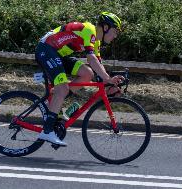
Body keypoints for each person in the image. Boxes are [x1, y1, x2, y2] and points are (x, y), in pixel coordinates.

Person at [35, 12, 125, 146]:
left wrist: (108, 84)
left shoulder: (96, 42)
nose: (115, 35)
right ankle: (47, 131)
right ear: (105, 27)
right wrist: (108, 78)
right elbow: (91, 59)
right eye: (115, 31)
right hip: (47, 50)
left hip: (58, 54)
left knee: (87, 73)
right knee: (63, 88)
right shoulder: (89, 30)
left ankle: (55, 99)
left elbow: (97, 65)